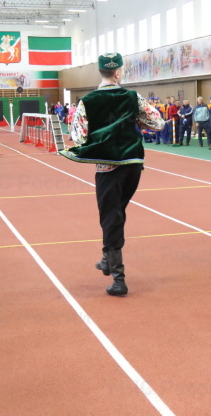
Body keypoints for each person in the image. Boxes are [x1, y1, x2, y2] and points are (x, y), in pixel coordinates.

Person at [59, 53, 164, 296]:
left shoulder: (87, 101)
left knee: (110, 215)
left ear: (102, 72)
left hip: (108, 166)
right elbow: (157, 123)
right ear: (117, 72)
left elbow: (78, 136)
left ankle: (119, 278)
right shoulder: (132, 96)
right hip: (133, 163)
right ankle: (107, 258)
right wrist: (138, 123)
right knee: (117, 211)